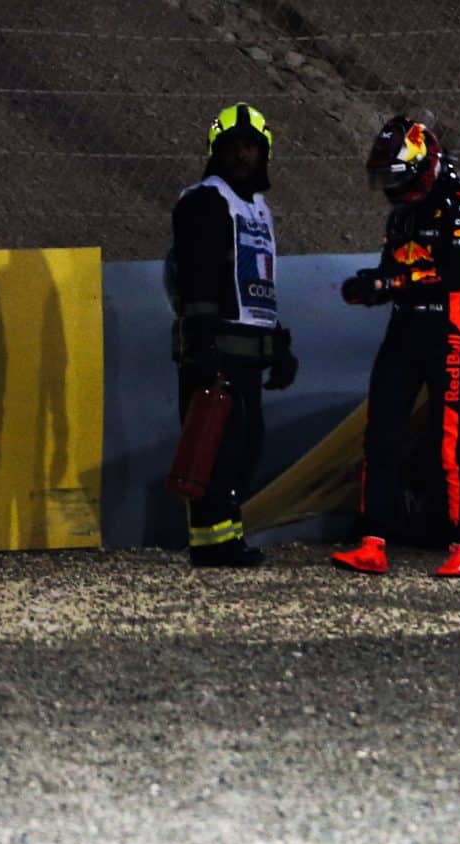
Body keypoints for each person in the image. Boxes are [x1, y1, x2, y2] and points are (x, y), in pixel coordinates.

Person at [333, 115, 460, 578]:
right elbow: (392, 274)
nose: (389, 189)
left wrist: (389, 281)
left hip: (446, 335)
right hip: (402, 333)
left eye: (396, 178)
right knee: (380, 436)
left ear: (423, 166)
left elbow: (456, 276)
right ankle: (372, 543)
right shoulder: (400, 214)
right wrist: (370, 288)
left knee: (447, 443)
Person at [168, 102, 297, 567]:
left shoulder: (258, 209)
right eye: (234, 147)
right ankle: (210, 544)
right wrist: (202, 343)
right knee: (214, 446)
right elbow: (198, 276)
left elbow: (257, 283)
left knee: (245, 446)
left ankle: (228, 535)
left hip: (247, 346)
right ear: (216, 152)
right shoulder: (205, 200)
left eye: (251, 146)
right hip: (215, 346)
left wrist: (276, 344)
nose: (243, 155)